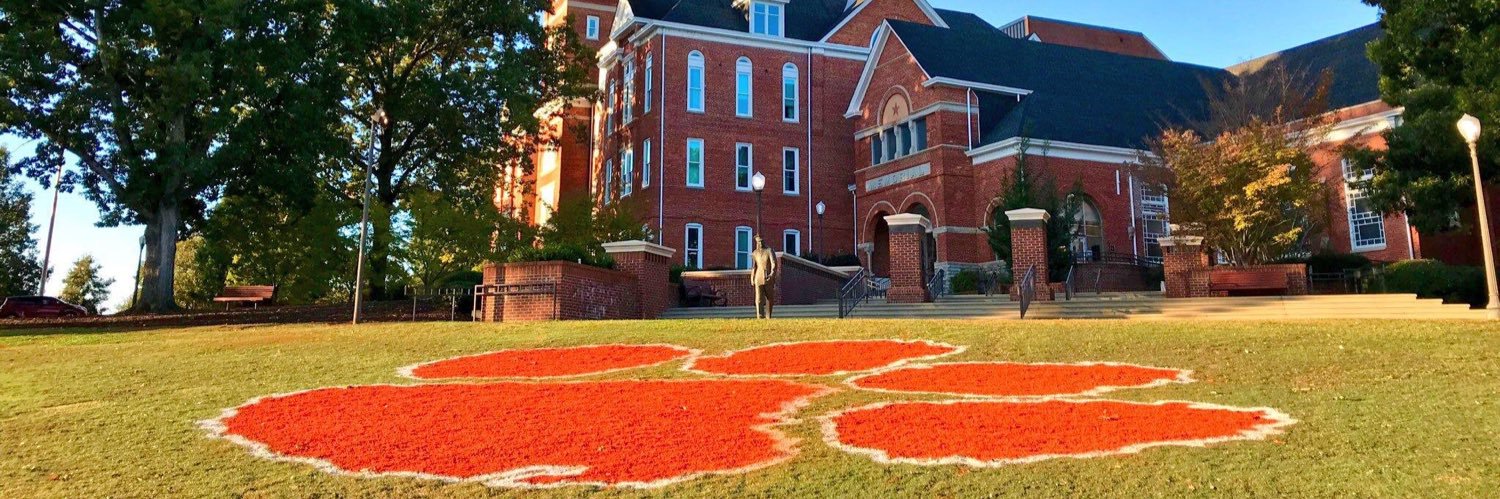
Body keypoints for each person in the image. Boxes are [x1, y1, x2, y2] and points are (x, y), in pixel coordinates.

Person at [750, 235, 777, 319]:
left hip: (767, 276)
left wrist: (772, 274)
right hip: (758, 277)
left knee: (769, 297)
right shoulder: (755, 253)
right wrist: (752, 277)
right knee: (758, 298)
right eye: (759, 242)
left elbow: (774, 263)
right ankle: (760, 315)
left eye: (762, 241)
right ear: (756, 243)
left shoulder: (769, 251)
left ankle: (768, 315)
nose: (760, 243)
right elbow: (754, 267)